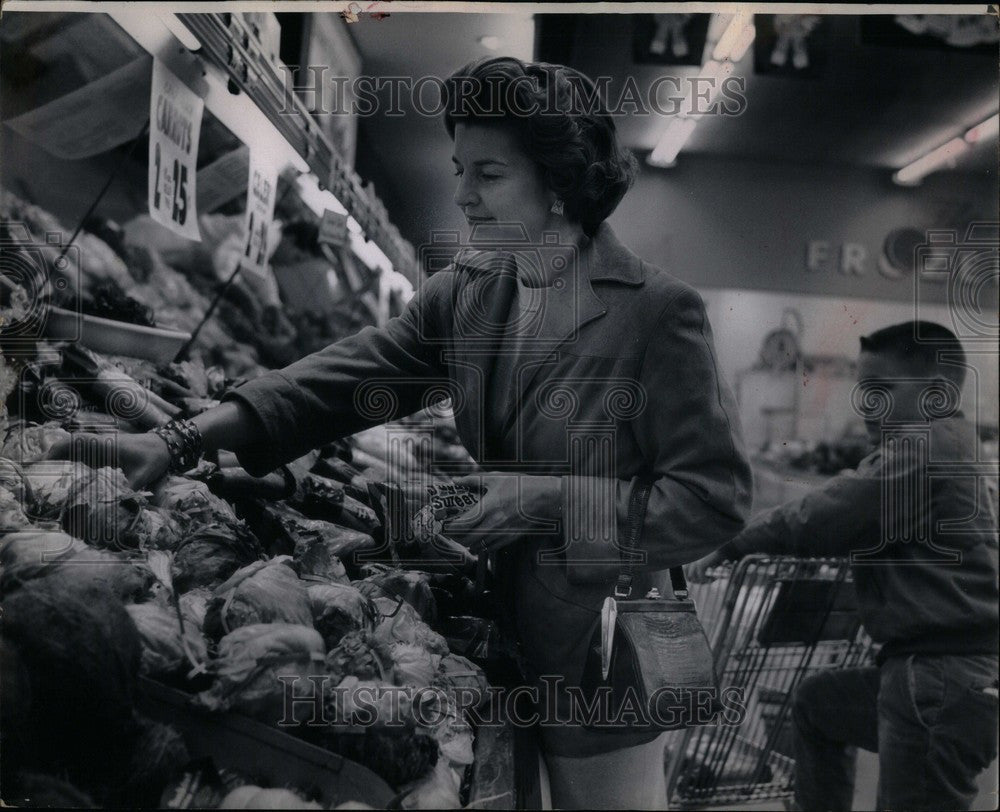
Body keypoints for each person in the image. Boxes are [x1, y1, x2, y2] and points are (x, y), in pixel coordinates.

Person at [48, 57, 752, 809]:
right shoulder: (471, 297)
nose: (461, 194)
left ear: (558, 183)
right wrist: (180, 438)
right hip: (505, 624)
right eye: (458, 168)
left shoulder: (656, 313)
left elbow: (711, 500)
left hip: (606, 653)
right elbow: (342, 380)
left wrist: (544, 500)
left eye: (488, 174)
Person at [690, 321, 999, 812]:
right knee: (818, 705)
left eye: (882, 391)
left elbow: (837, 510)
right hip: (955, 674)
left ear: (938, 395)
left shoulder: (926, 449)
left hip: (936, 677)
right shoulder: (953, 444)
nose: (867, 408)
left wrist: (736, 544)